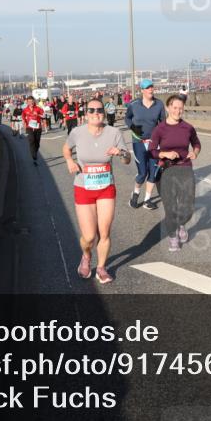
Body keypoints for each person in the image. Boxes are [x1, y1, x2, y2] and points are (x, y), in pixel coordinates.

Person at [63, 98, 130, 284]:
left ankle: (101, 267)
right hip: (83, 187)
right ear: (86, 114)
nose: (96, 113)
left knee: (105, 232)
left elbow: (127, 159)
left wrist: (121, 153)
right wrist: (69, 161)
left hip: (106, 187)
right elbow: (66, 148)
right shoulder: (77, 132)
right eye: (91, 110)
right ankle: (86, 255)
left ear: (104, 112)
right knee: (89, 237)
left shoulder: (114, 132)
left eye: (99, 110)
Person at [151, 95, 201, 251]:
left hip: (185, 168)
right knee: (170, 206)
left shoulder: (188, 127)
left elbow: (196, 143)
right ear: (167, 108)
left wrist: (195, 152)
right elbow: (152, 151)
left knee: (188, 207)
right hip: (166, 170)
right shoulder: (160, 129)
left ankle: (181, 224)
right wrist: (165, 154)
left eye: (181, 108)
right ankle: (173, 236)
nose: (178, 111)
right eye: (175, 108)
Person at [124, 79, 166, 210]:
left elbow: (163, 123)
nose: (150, 90)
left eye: (152, 87)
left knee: (153, 172)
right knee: (142, 173)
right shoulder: (134, 104)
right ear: (141, 90)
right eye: (147, 88)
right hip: (139, 142)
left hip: (154, 143)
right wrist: (133, 127)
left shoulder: (159, 104)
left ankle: (147, 200)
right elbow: (127, 118)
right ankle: (135, 194)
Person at [21, 96, 46, 166]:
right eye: (29, 102)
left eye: (32, 101)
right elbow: (23, 117)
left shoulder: (38, 108)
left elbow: (43, 116)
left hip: (38, 128)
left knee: (37, 143)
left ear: (34, 101)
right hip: (29, 128)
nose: (30, 103)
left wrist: (38, 115)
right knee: (31, 140)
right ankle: (34, 157)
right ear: (27, 102)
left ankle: (35, 152)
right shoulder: (25, 110)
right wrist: (24, 123)